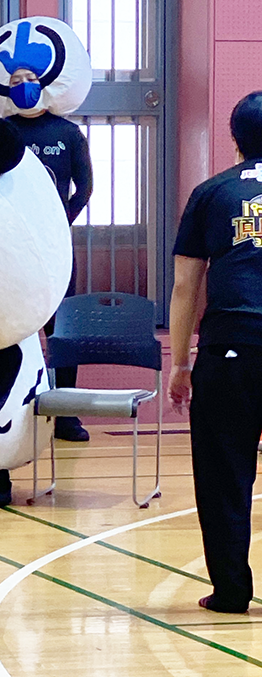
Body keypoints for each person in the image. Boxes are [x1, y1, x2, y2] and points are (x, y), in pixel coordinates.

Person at [168, 90, 262, 613]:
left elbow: (186, 287)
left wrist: (180, 363)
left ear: (234, 141)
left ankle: (231, 591)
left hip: (231, 348)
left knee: (225, 474)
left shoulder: (211, 192)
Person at [6, 66, 93, 442]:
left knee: (62, 332)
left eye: (29, 79)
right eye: (14, 82)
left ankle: (66, 414)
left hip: (55, 249)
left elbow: (84, 188)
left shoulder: (68, 133)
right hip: (10, 248)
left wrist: (60, 222)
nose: (23, 86)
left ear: (43, 85)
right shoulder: (2, 131)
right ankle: (10, 414)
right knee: (9, 330)